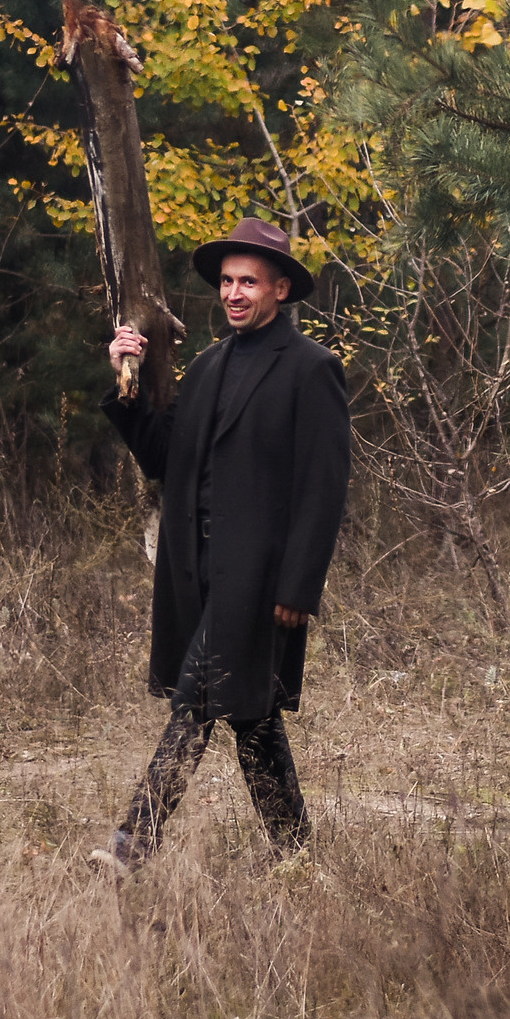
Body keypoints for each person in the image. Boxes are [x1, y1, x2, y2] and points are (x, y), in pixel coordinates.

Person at [88, 216, 351, 873]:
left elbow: (323, 487)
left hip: (260, 579)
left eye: (249, 282)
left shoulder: (313, 370)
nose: (234, 292)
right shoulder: (206, 367)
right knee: (252, 720)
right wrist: (128, 378)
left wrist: (299, 585)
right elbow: (163, 459)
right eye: (228, 281)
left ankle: (131, 845)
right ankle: (297, 859)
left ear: (281, 288)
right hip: (194, 571)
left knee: (195, 702)